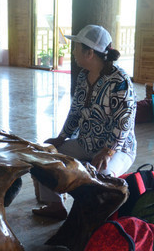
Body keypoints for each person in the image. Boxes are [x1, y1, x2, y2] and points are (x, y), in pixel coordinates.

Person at [32, 25, 137, 220]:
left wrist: (108, 151)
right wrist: (62, 137)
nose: (73, 52)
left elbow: (124, 121)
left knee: (102, 177)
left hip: (118, 149)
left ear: (89, 53)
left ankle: (95, 222)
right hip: (86, 143)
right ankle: (55, 204)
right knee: (45, 156)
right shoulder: (82, 76)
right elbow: (75, 112)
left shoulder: (119, 80)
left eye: (76, 47)